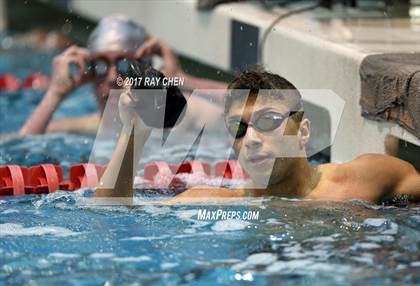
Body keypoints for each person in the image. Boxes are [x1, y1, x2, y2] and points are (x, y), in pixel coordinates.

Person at [96, 68, 420, 205]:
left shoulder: (367, 179)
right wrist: (134, 133)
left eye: (267, 121)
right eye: (239, 128)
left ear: (303, 131)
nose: (250, 138)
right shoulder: (211, 204)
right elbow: (114, 222)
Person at [18, 14, 226, 136]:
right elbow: (18, 149)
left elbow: (255, 105)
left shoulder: (187, 116)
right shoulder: (87, 127)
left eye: (125, 66)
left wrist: (184, 79)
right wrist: (55, 94)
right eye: (100, 65)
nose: (111, 78)